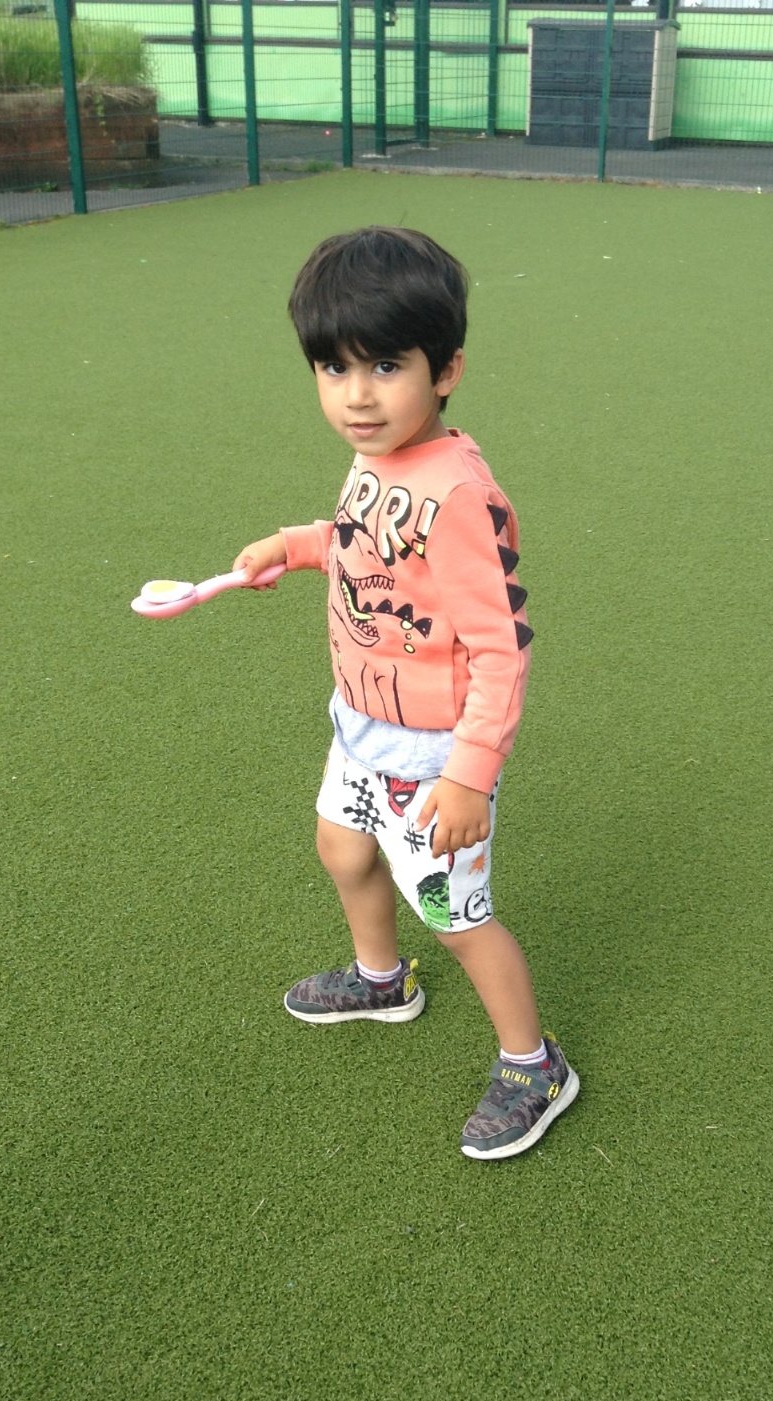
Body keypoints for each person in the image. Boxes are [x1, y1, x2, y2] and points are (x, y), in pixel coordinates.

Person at [233, 226, 578, 1161]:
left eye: (385, 366)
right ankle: (381, 980)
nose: (356, 395)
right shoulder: (377, 457)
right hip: (359, 726)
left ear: (446, 369)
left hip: (431, 756)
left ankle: (533, 1065)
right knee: (342, 851)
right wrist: (294, 545)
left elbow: (500, 650)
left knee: (456, 918)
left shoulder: (457, 495)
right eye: (332, 368)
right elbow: (359, 539)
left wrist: (469, 775)